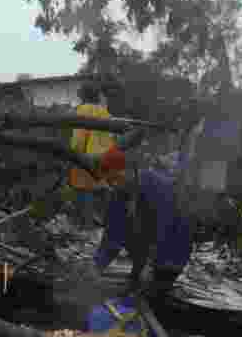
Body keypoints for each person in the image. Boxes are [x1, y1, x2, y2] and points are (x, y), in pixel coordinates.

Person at [90, 145, 192, 296]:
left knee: (153, 291)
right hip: (146, 245)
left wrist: (151, 266)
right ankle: (136, 279)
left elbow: (165, 228)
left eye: (117, 177)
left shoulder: (159, 186)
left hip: (173, 248)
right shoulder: (119, 192)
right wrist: (97, 265)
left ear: (131, 170)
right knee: (134, 286)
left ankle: (154, 283)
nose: (115, 183)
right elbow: (113, 232)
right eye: (111, 181)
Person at [68, 82, 117, 229]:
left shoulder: (82, 111)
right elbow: (112, 136)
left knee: (84, 189)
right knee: (102, 188)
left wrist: (72, 152)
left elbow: (79, 137)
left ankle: (86, 226)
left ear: (83, 95)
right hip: (107, 155)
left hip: (87, 156)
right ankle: (107, 224)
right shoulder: (105, 113)